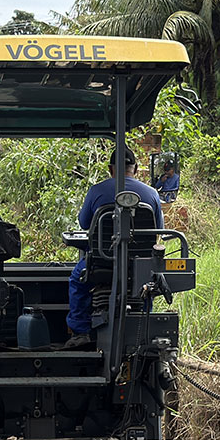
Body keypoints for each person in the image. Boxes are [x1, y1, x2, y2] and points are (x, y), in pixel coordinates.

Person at [62, 147, 165, 349]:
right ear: (134, 168)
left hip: (102, 260)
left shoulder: (97, 191)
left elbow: (84, 224)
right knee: (148, 284)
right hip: (138, 264)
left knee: (77, 279)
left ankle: (81, 331)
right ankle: (144, 326)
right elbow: (158, 229)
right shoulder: (151, 194)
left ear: (111, 169)